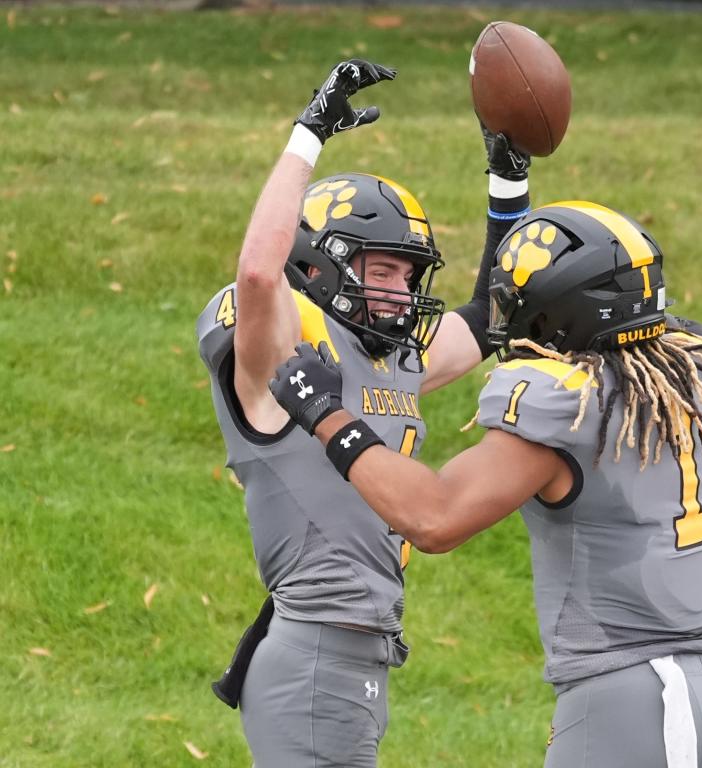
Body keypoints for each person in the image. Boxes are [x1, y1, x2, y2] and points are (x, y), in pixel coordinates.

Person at [269, 201, 702, 768]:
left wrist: (327, 415)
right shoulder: (682, 387)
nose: (508, 317)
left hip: (626, 707)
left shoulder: (565, 407)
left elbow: (433, 518)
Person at [196, 58, 535, 767]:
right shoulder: (282, 357)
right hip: (317, 648)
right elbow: (259, 273)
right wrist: (310, 131)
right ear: (318, 263)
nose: (402, 291)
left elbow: (493, 318)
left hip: (352, 650)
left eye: (410, 274)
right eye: (383, 270)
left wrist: (509, 182)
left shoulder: (391, 359)